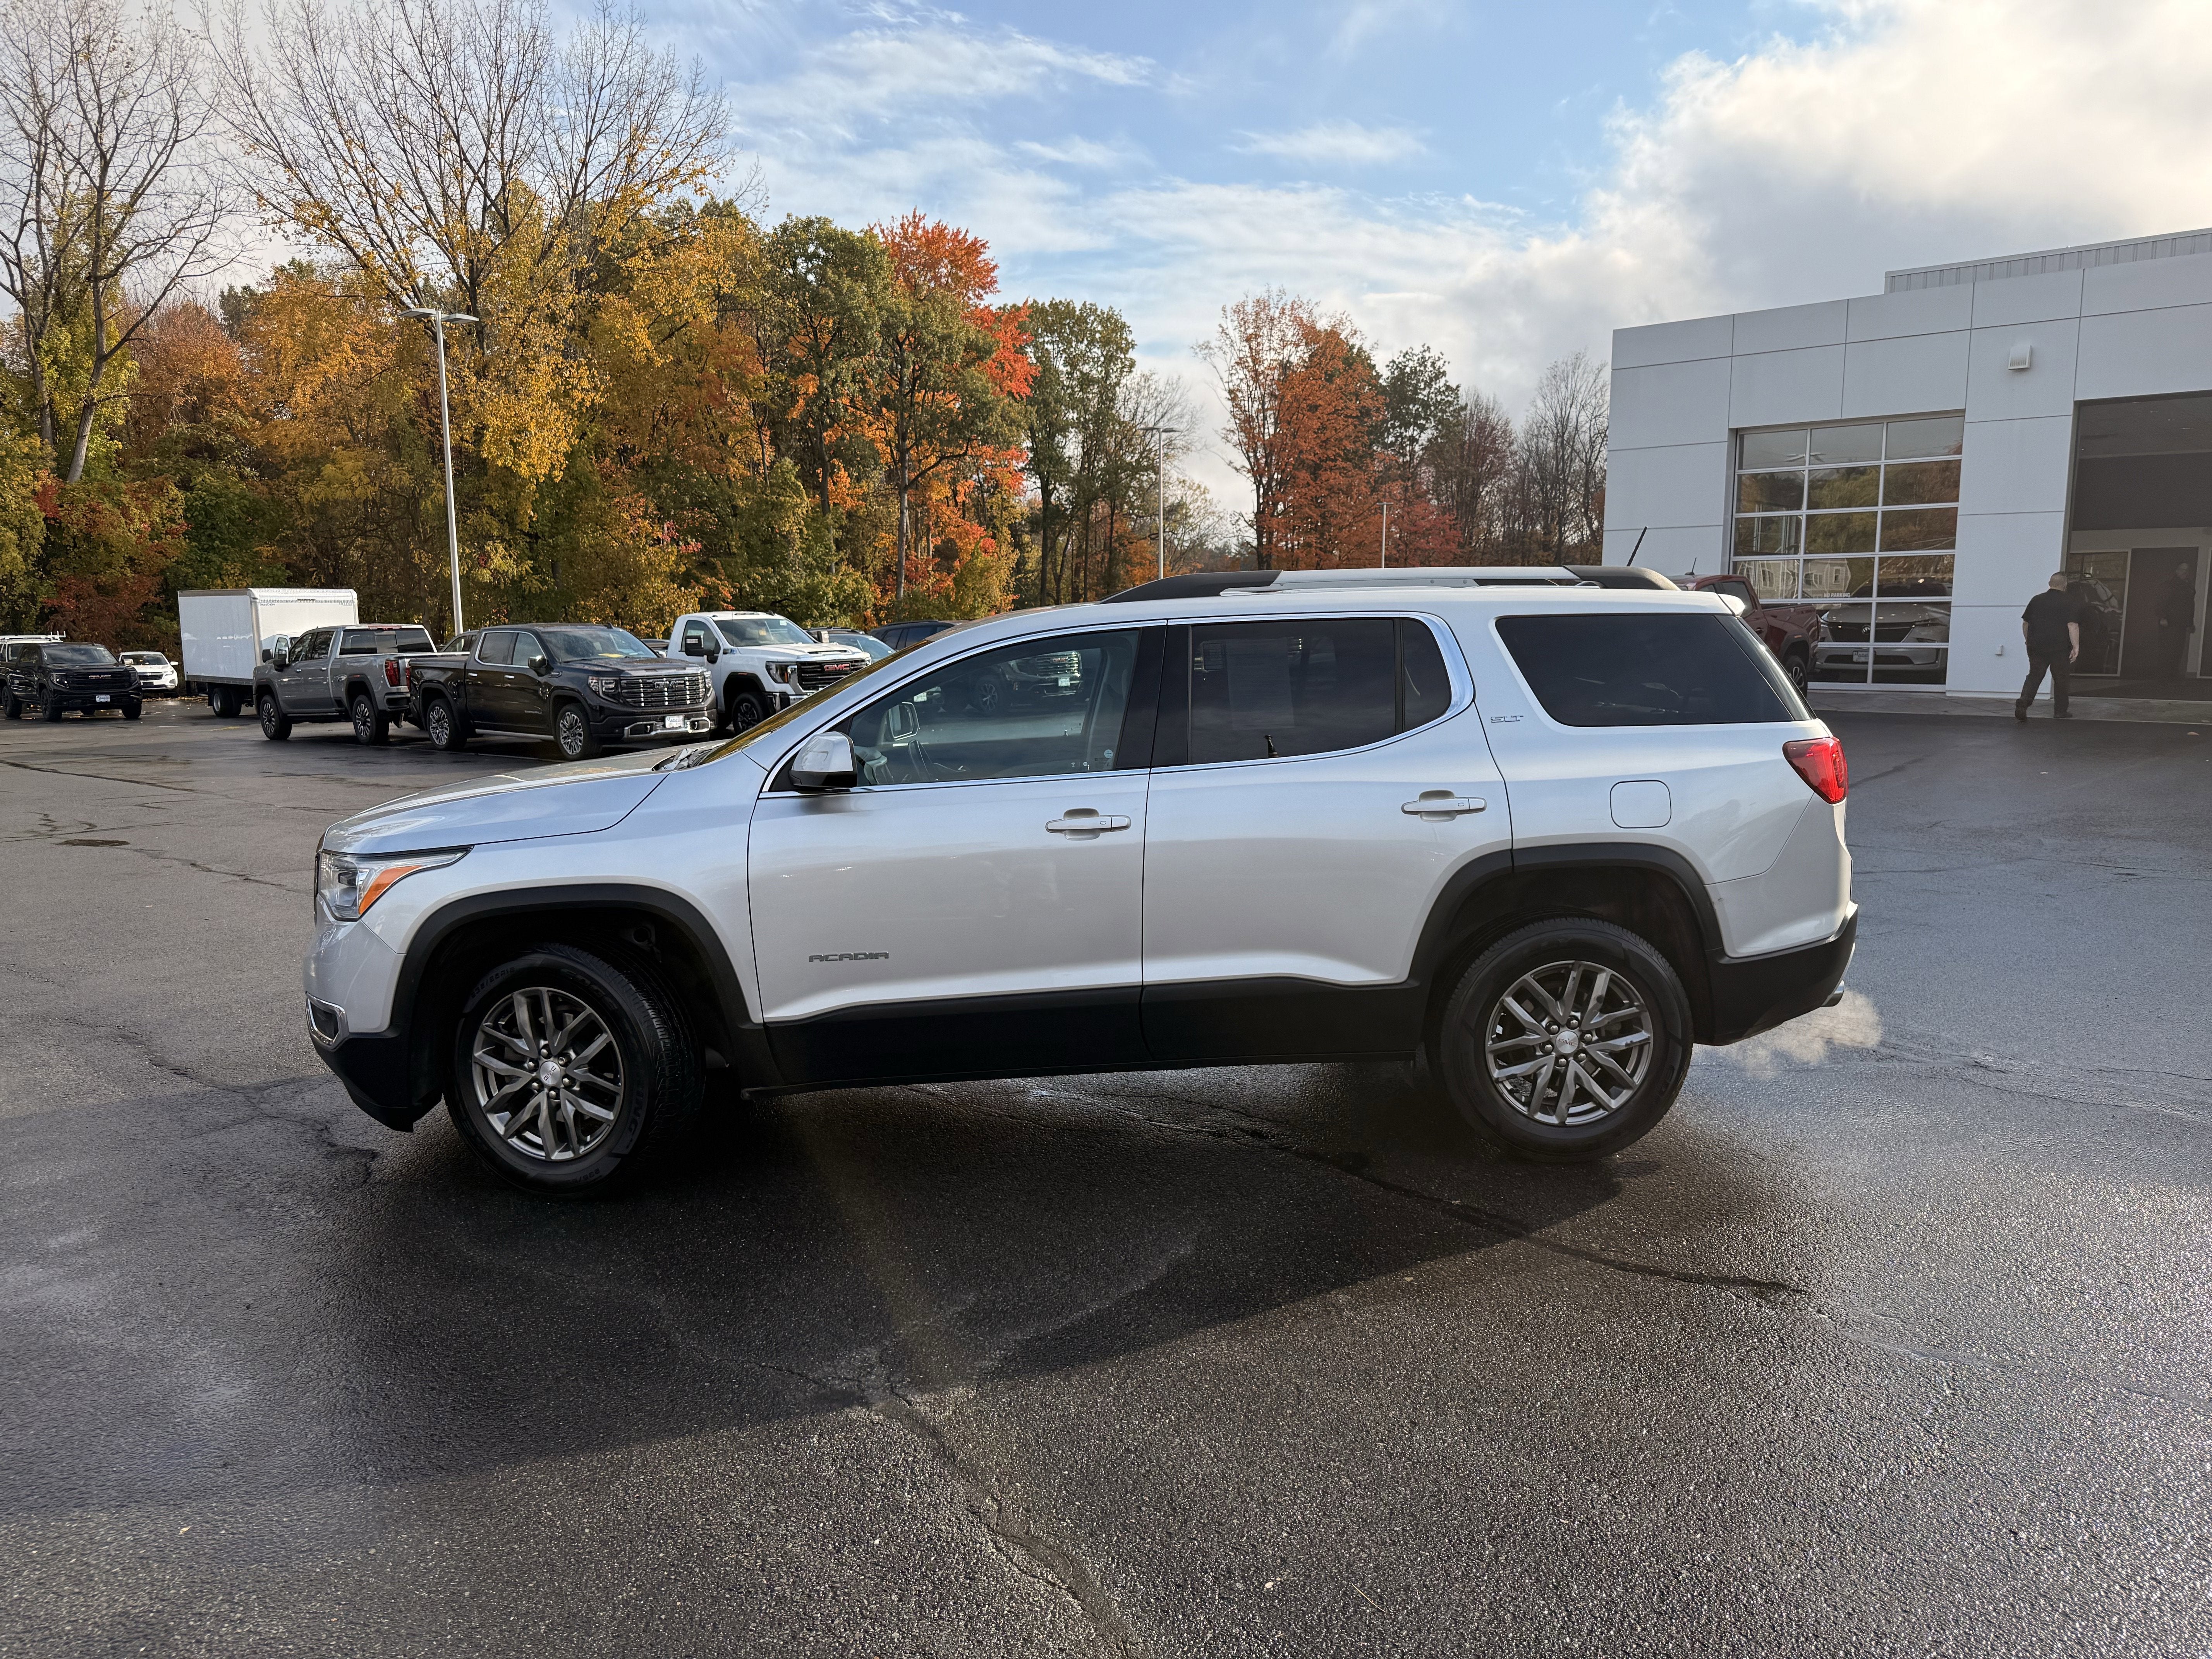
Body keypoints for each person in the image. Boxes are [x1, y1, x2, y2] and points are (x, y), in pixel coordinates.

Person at [2016, 572, 2078, 721]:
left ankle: (2024, 701)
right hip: (2060, 647)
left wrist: (2028, 640)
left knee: (2035, 675)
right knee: (2061, 679)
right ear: (2065, 586)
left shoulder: (2036, 600)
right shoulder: (2069, 601)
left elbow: (2026, 624)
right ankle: (2060, 711)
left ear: (2050, 584)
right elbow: (2072, 625)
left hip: (2036, 646)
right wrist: (2076, 647)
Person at [2153, 561, 2197, 678]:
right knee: (2168, 648)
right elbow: (2161, 602)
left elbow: (2190, 606)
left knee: (2178, 648)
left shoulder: (2189, 587)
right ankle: (2164, 674)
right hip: (2170, 622)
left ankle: (2173, 673)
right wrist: (2163, 617)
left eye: (2187, 570)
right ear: (2177, 571)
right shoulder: (2169, 585)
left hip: (2181, 623)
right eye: (2182, 569)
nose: (2185, 572)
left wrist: (2190, 623)